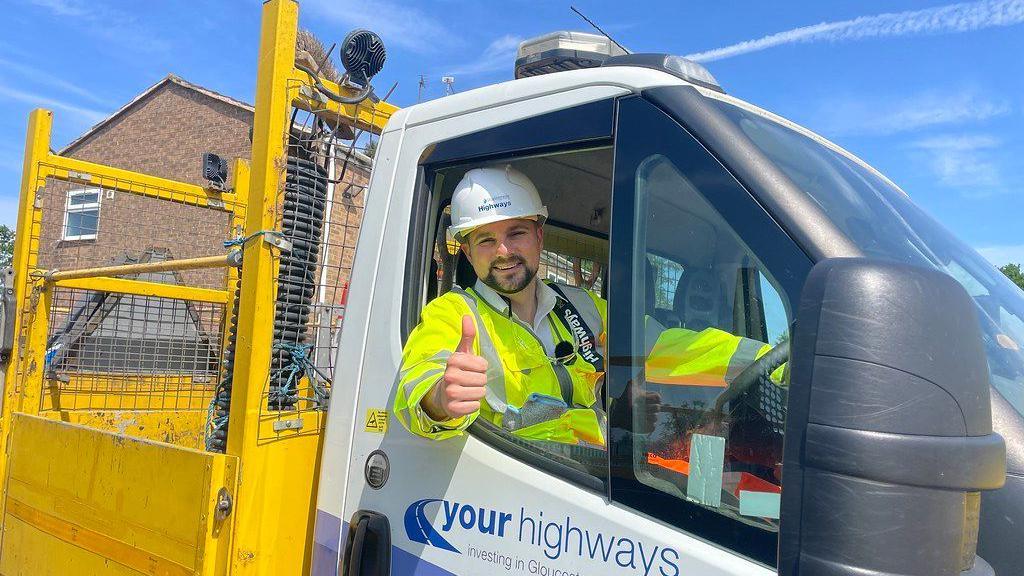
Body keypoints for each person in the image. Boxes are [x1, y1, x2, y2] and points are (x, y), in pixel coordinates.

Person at [393, 165, 780, 446]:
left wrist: (773, 362)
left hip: (593, 483)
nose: (504, 252)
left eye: (516, 233)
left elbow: (671, 347)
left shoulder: (581, 307)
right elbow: (416, 383)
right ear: (467, 251)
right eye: (485, 241)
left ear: (539, 235)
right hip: (517, 499)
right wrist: (440, 399)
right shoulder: (454, 315)